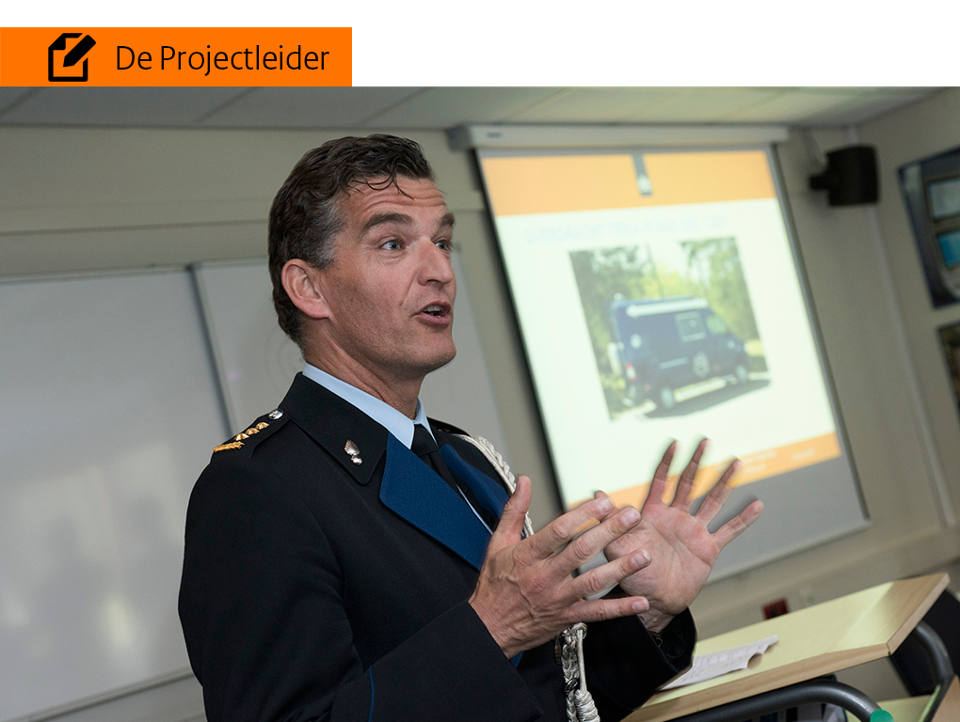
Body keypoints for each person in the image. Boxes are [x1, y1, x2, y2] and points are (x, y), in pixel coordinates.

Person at [178, 135, 764, 722]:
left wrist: (648, 608)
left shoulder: (464, 457)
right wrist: (492, 630)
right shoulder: (257, 490)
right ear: (309, 288)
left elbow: (554, 698)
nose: (440, 271)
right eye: (393, 243)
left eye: (442, 242)